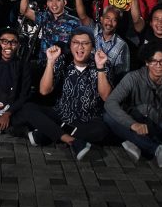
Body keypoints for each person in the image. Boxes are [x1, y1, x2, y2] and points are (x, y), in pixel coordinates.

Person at [20, 27, 112, 160]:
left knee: (101, 131)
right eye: (76, 42)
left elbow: (106, 97)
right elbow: (44, 90)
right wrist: (50, 62)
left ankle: (49, 133)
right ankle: (71, 140)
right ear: (70, 45)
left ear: (92, 47)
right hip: (61, 115)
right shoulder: (63, 61)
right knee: (28, 108)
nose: (80, 47)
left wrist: (100, 67)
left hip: (87, 120)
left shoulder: (102, 63)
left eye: (85, 43)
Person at [104, 46, 162, 167]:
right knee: (108, 117)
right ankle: (156, 148)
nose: (158, 65)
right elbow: (110, 102)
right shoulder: (133, 78)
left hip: (158, 126)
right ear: (147, 62)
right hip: (136, 122)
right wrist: (133, 124)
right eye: (154, 61)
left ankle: (138, 143)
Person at [70, 0, 130, 83]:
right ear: (101, 19)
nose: (109, 23)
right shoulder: (94, 30)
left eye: (114, 20)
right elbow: (82, 16)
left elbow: (122, 76)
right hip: (85, 80)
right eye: (107, 18)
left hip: (106, 84)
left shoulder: (122, 45)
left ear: (117, 24)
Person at [20, 0, 81, 66]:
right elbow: (24, 11)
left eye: (58, 0)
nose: (54, 4)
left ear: (64, 2)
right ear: (47, 3)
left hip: (63, 66)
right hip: (43, 64)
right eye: (51, 0)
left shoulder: (74, 22)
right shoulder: (44, 17)